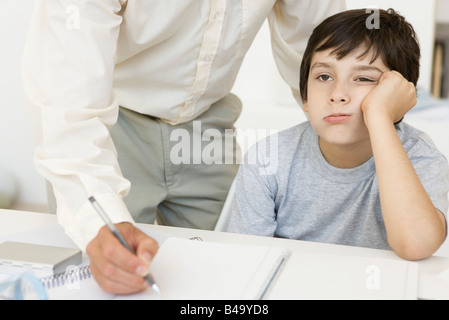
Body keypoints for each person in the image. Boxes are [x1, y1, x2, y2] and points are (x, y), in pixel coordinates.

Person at [21, 1, 349, 294]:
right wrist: (98, 222)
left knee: (234, 272)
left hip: (208, 126)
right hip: (111, 128)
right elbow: (67, 102)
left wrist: (370, 129)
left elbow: (325, 48)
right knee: (115, 274)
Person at [226, 9, 449, 261]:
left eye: (363, 77)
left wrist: (379, 117)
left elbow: (416, 246)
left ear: (398, 95)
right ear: (305, 97)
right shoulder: (267, 159)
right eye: (324, 76)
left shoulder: (420, 156)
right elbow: (245, 263)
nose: (337, 94)